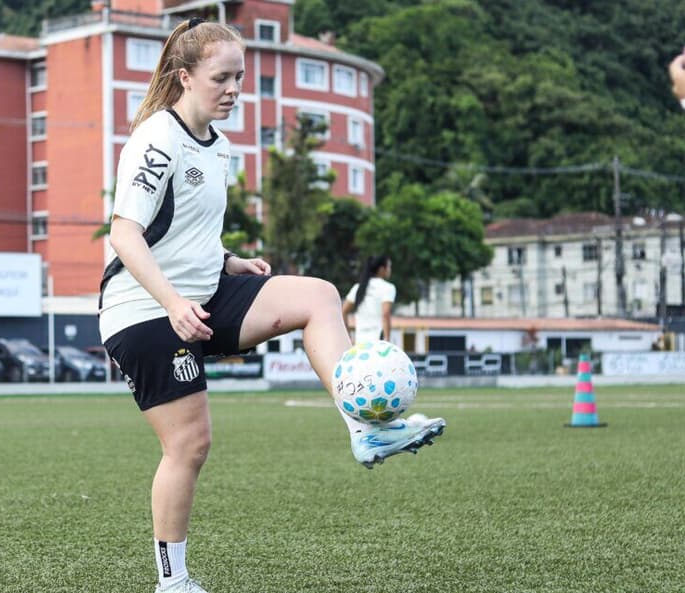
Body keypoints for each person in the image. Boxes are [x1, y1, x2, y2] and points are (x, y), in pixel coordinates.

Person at [98, 18, 445, 593]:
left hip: (204, 293)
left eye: (240, 77)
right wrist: (173, 301)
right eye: (221, 78)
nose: (234, 89)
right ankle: (172, 583)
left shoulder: (220, 146)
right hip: (143, 309)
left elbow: (185, 229)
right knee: (190, 443)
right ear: (184, 77)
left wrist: (228, 260)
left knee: (318, 296)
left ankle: (363, 427)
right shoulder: (156, 137)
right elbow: (125, 234)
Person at [341, 255, 396, 344]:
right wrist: (387, 339)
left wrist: (348, 336)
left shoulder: (358, 288)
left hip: (359, 340)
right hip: (378, 339)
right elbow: (385, 314)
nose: (390, 270)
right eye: (389, 267)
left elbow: (343, 311)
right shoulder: (388, 288)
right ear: (382, 269)